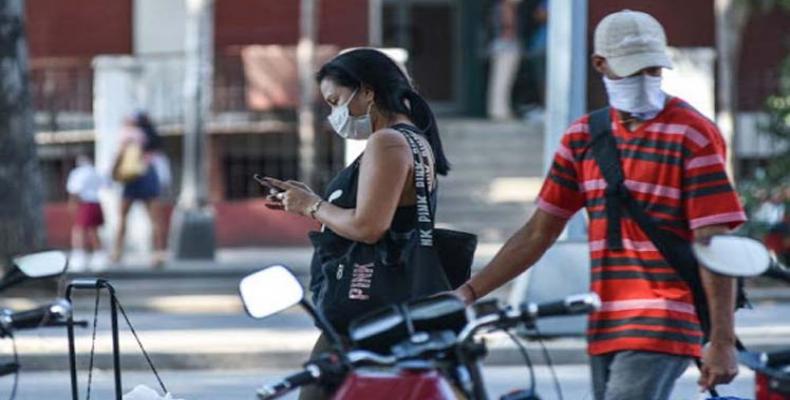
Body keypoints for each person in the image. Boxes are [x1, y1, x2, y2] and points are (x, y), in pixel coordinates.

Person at [455, 10, 746, 400]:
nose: (644, 80)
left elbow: (715, 244)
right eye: (630, 70)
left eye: (653, 70)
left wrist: (723, 340)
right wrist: (470, 293)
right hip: (605, 318)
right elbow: (539, 232)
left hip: (666, 316)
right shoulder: (582, 138)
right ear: (600, 65)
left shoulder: (692, 133)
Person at [258, 48, 450, 400]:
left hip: (367, 309)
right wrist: (313, 202)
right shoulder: (411, 140)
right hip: (392, 305)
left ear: (367, 91)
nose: (335, 114)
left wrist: (312, 206)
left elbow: (368, 227)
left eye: (336, 101)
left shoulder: (388, 141)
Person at [111, 112, 168, 268]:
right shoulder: (152, 137)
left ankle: (117, 252)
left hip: (132, 177)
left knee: (123, 217)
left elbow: (120, 153)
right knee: (155, 220)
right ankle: (158, 254)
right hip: (149, 175)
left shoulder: (129, 134)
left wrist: (113, 170)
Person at [66, 154, 107, 272]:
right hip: (96, 203)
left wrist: (72, 204)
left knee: (79, 230)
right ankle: (99, 256)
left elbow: (74, 190)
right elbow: (106, 185)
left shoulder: (78, 173)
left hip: (84, 203)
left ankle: (79, 257)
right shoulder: (95, 172)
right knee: (94, 231)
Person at [487, 0, 523, 120]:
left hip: (502, 46)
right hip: (506, 47)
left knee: (500, 81)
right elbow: (508, 27)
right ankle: (500, 111)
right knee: (503, 81)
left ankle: (498, 110)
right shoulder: (505, 7)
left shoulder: (500, 7)